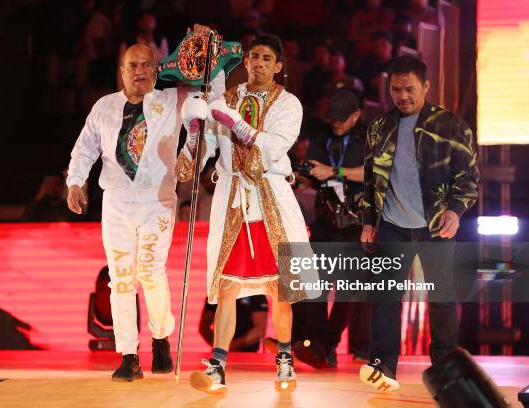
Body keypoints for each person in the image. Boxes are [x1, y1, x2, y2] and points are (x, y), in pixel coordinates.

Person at [66, 24, 224, 382]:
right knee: (121, 279)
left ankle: (161, 338)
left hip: (158, 201)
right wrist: (75, 182)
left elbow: (211, 97)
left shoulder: (172, 100)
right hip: (117, 202)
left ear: (156, 70)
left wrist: (208, 47)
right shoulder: (104, 107)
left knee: (151, 272)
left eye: (145, 66)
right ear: (121, 71)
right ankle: (128, 355)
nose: (139, 72)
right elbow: (85, 148)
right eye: (132, 66)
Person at [176, 33, 318, 395]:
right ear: (246, 61)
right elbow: (206, 147)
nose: (258, 63)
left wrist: (236, 123)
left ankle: (284, 357)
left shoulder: (289, 104)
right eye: (254, 56)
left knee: (281, 287)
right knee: (227, 286)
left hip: (271, 195)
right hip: (233, 197)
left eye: (267, 58)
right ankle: (218, 366)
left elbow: (274, 146)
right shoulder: (225, 100)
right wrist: (193, 139)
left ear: (278, 66)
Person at [359, 55, 479, 392]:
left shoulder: (452, 126)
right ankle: (383, 365)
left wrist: (455, 211)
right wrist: (369, 220)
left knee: (441, 298)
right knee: (383, 295)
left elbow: (468, 178)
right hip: (393, 223)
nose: (402, 96)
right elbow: (370, 179)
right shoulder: (380, 127)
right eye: (396, 89)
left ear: (426, 86)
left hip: (435, 224)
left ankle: (445, 369)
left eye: (409, 89)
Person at [292, 89, 370, 368]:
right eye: (332, 118)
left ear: (356, 116)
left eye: (342, 118)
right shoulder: (322, 136)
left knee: (349, 289)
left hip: (355, 222)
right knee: (313, 283)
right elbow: (314, 174)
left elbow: (372, 173)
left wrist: (334, 172)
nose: (335, 123)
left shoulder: (368, 139)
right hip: (325, 221)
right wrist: (300, 178)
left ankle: (326, 344)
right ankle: (319, 345)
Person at [199, 295, 268, 352]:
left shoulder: (256, 293)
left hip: (247, 353)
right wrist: (218, 347)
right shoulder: (217, 291)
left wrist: (230, 347)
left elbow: (260, 330)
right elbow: (204, 325)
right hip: (221, 352)